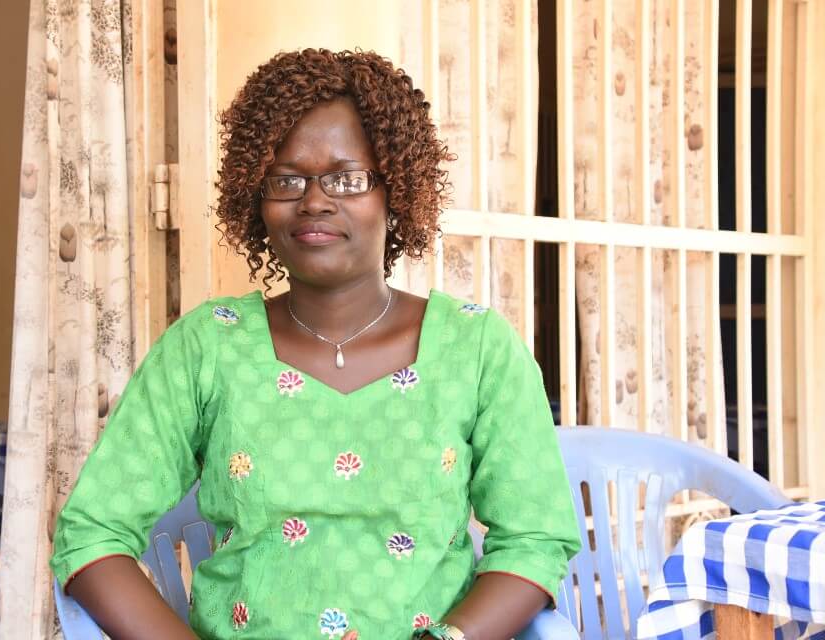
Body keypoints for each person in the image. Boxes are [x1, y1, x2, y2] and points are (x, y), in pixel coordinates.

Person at [50, 48, 580, 640]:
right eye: (287, 179)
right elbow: (92, 531)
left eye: (347, 178)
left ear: (395, 189)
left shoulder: (477, 348)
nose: (314, 200)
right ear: (258, 197)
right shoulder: (207, 347)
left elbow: (534, 538)